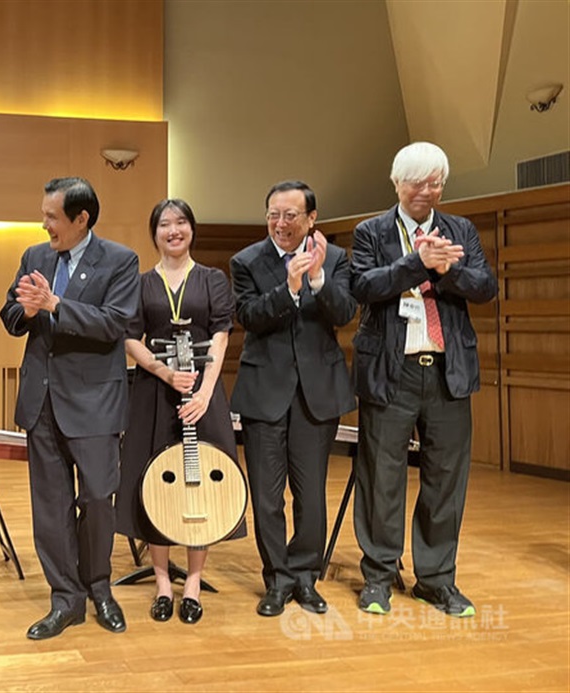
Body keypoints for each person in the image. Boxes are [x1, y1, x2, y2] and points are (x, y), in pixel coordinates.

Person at [350, 142, 497, 617]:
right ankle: (378, 575)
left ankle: (436, 579)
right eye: (417, 182)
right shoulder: (371, 232)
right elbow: (363, 286)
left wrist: (449, 269)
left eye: (435, 183)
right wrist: (418, 263)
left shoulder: (461, 230)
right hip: (390, 370)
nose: (426, 191)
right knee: (381, 475)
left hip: (448, 370)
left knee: (446, 478)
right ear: (397, 184)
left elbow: (486, 288)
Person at [0, 176, 140, 640]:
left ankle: (99, 586)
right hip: (41, 400)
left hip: (94, 402)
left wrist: (55, 304)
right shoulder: (35, 257)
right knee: (51, 506)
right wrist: (27, 310)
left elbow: (116, 323)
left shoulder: (120, 260)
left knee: (98, 498)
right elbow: (11, 314)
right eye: (44, 215)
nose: (44, 225)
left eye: (52, 217)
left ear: (81, 219)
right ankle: (65, 599)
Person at [230, 180, 357, 617]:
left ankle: (305, 576)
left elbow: (345, 313)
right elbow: (249, 316)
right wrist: (288, 287)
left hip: (316, 393)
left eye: (290, 215)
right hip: (264, 391)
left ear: (311, 218)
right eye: (273, 215)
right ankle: (277, 580)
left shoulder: (335, 258)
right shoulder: (246, 261)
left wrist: (318, 278)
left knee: (311, 494)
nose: (280, 224)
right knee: (267, 496)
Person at [115, 199, 244, 625]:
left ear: (192, 229)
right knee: (156, 482)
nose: (174, 230)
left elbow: (221, 335)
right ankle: (162, 583)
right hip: (154, 391)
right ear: (154, 233)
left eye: (181, 222)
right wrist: (165, 373)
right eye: (165, 224)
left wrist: (205, 393)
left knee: (199, 480)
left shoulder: (212, 279)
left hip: (203, 392)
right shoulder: (140, 283)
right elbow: (130, 338)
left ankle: (193, 582)